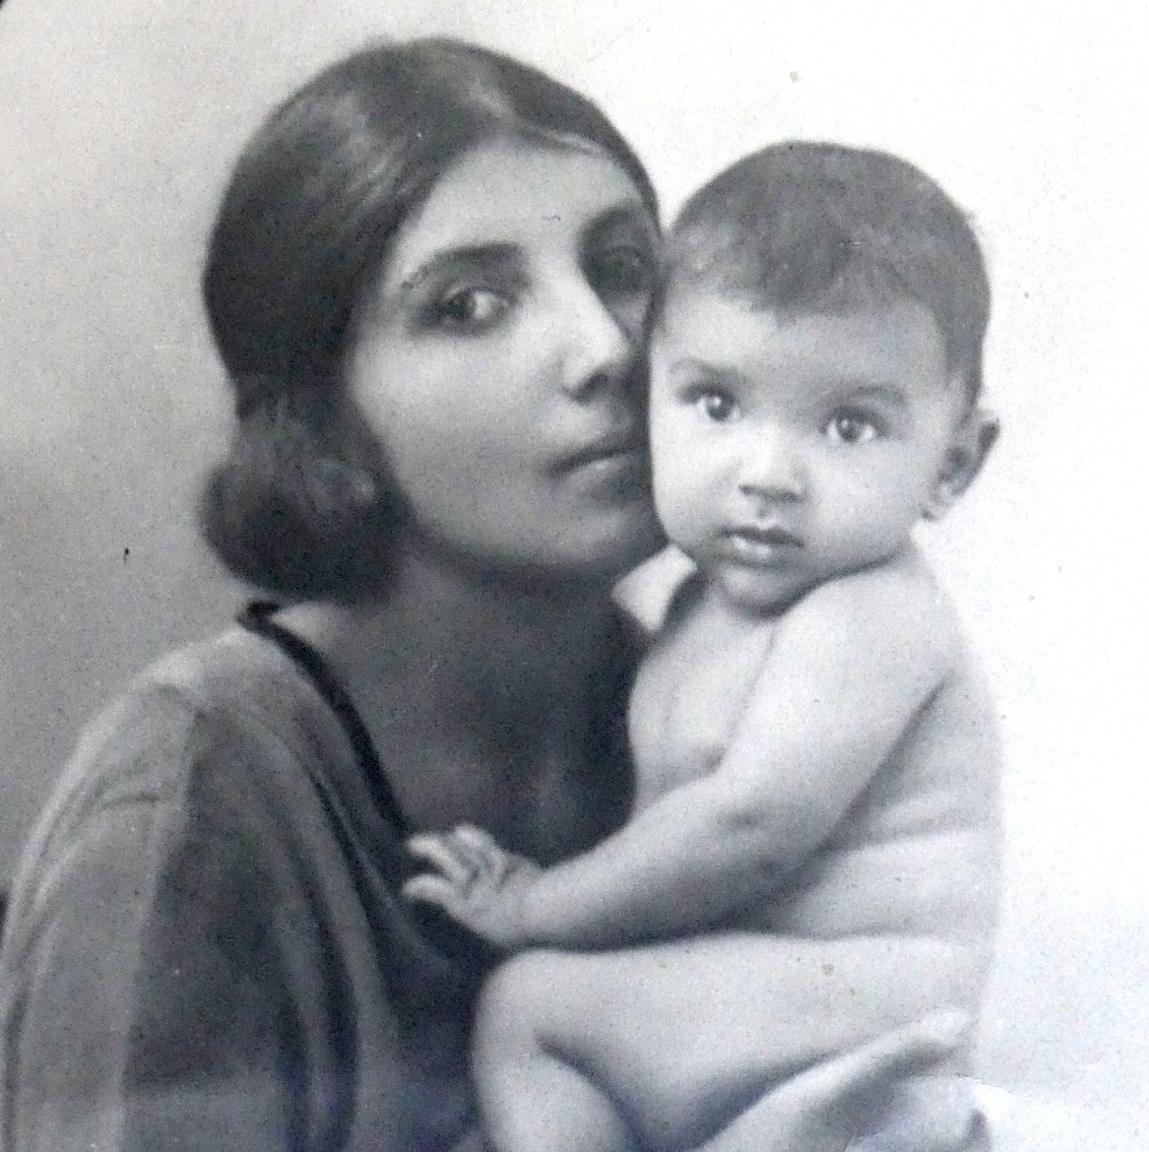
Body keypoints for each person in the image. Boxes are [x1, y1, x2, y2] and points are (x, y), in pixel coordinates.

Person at [0, 39, 983, 1151]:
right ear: (327, 422)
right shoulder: (192, 798)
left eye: (623, 270)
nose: (605, 348)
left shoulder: (698, 698)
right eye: (470, 305)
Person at [405, 142, 1002, 1152]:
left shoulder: (870, 615)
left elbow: (747, 826)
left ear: (953, 464)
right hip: (770, 1000)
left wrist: (535, 904)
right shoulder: (697, 609)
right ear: (650, 397)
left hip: (871, 1007)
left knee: (530, 1009)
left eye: (849, 426)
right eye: (718, 405)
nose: (768, 473)